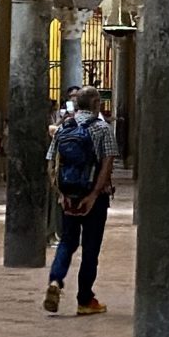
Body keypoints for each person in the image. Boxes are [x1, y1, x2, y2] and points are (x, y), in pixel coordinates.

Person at [44, 87, 114, 317]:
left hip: (69, 195)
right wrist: (94, 195)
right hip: (95, 198)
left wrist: (62, 194)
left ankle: (55, 280)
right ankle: (85, 300)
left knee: (67, 241)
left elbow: (52, 163)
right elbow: (106, 165)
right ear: (95, 103)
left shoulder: (64, 127)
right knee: (91, 248)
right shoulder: (103, 128)